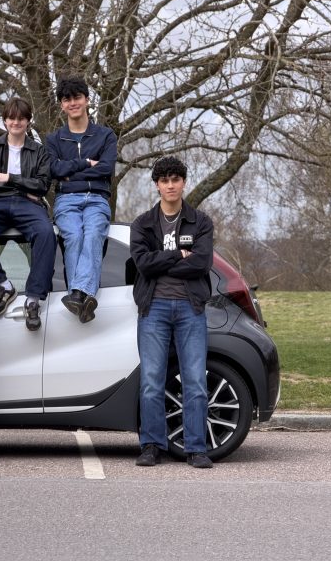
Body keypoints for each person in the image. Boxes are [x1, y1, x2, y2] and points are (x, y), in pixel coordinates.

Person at [130, 156, 215, 469]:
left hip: (190, 309)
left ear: (183, 182)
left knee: (195, 380)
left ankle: (196, 448)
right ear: (157, 185)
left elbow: (201, 264)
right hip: (154, 309)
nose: (170, 185)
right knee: (152, 380)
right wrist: (177, 255)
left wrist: (162, 261)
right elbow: (142, 264)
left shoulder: (200, 222)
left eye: (175, 180)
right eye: (164, 180)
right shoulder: (143, 224)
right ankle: (152, 445)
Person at [0, 96, 55, 331]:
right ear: (5, 121)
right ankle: (3, 285)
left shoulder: (39, 151)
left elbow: (43, 186)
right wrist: (25, 186)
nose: (16, 122)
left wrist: (10, 179)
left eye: (21, 118)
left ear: (28, 121)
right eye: (11, 118)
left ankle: (33, 298)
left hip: (29, 205)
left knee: (46, 232)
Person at [46, 76, 117, 323]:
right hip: (66, 199)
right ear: (61, 105)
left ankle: (78, 294)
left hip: (97, 198)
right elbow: (54, 170)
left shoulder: (106, 136)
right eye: (67, 99)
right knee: (74, 236)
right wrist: (86, 163)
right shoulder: (53, 140)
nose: (73, 103)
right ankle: (83, 296)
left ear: (87, 100)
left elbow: (106, 169)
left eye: (77, 97)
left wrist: (71, 172)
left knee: (94, 233)